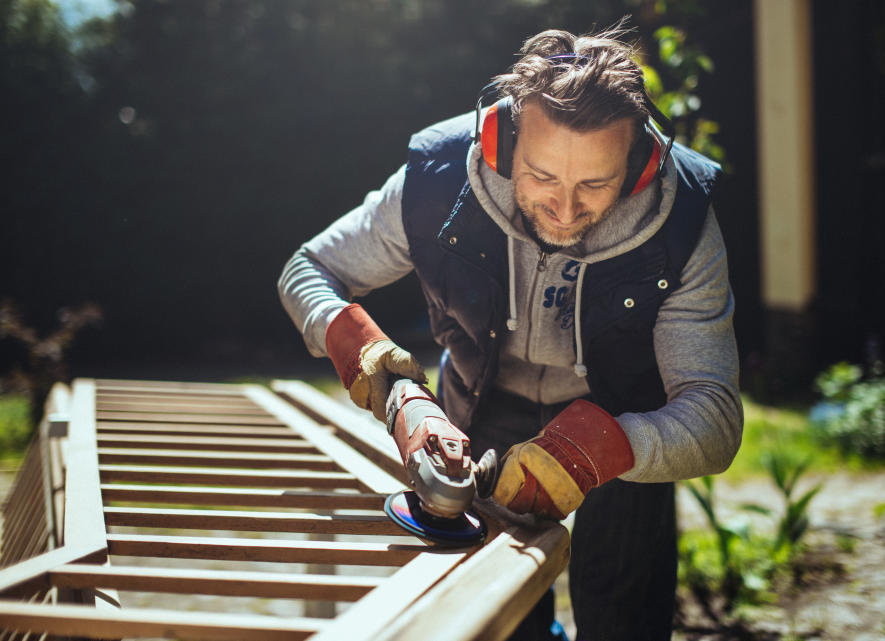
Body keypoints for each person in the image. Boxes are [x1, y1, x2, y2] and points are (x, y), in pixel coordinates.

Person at [278, 22, 742, 641]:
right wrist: (393, 388)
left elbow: (714, 417)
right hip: (479, 405)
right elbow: (309, 269)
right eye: (543, 176)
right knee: (496, 619)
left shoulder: (679, 218)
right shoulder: (438, 181)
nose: (566, 209)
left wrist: (597, 450)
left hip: (626, 425)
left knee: (625, 620)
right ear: (501, 142)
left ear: (640, 163)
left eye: (594, 183)